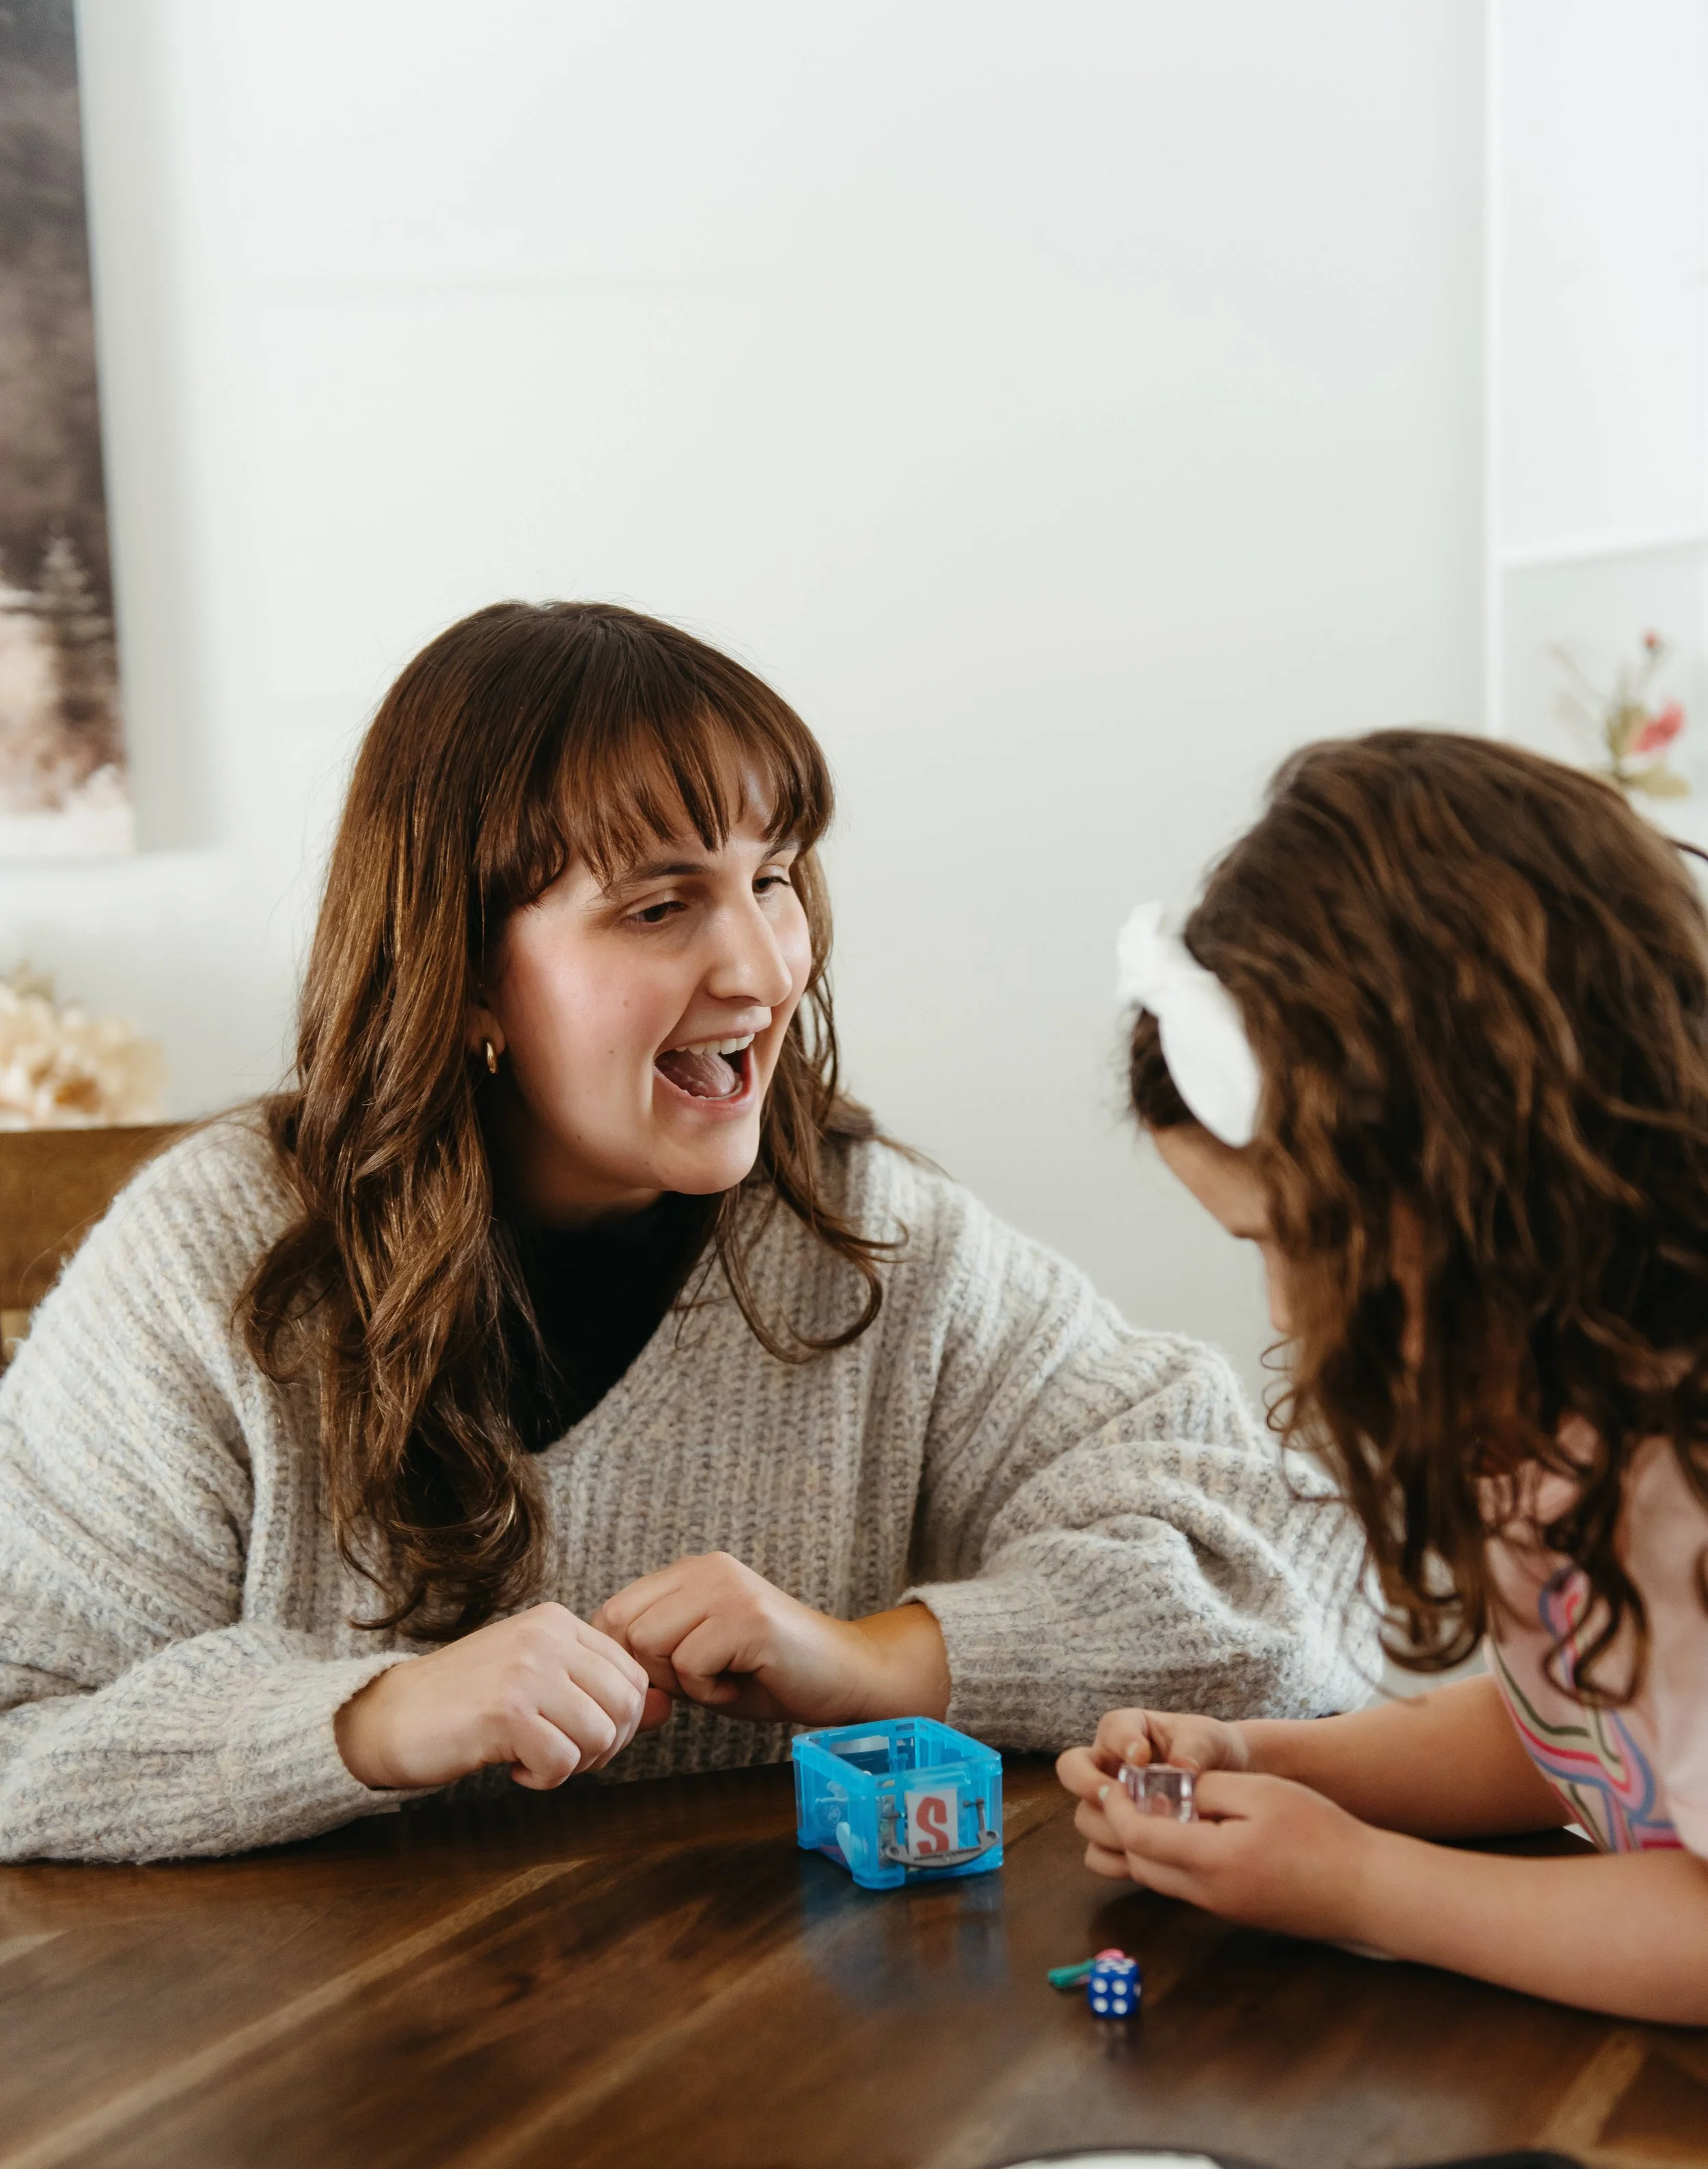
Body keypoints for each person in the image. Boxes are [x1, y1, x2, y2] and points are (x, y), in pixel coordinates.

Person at [0, 602, 1369, 1863]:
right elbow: (23, 1731)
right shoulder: (211, 1265)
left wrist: (876, 1658)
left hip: (764, 2059)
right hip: (299, 2082)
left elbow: (1274, 1595)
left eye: (772, 879)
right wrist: (372, 1724)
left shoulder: (865, 1236)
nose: (765, 969)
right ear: (464, 973)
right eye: (658, 908)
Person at [1058, 729, 1708, 2025]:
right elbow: (1588, 1733)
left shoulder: (1681, 1468)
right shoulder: (1544, 1417)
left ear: (1465, 1179)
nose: (1285, 1306)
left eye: (1285, 1241)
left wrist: (1364, 1888)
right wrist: (1269, 1762)